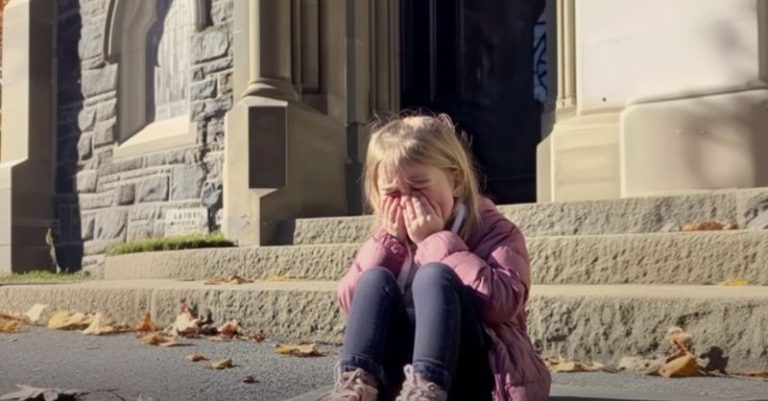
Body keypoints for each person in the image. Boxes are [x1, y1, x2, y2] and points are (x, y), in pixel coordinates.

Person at [318, 114, 551, 401]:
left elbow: (503, 304)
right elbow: (352, 304)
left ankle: (426, 390)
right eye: (392, 193)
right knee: (373, 278)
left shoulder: (493, 230)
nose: (408, 201)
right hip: (398, 374)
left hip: (472, 370)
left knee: (434, 276)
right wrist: (387, 247)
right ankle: (356, 386)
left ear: (456, 181)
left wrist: (436, 241)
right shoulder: (383, 240)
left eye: (419, 187)